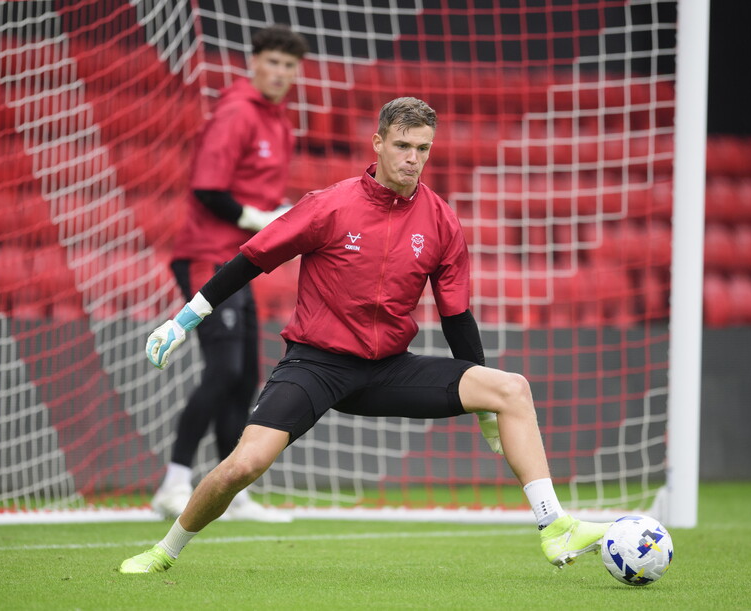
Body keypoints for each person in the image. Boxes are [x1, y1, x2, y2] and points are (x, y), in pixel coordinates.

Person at [121, 97, 610, 574]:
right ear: (377, 143)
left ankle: (555, 526)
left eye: (423, 148)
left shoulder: (440, 220)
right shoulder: (329, 206)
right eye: (402, 145)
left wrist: (483, 402)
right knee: (242, 467)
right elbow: (252, 259)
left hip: (389, 369)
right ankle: (165, 550)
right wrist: (184, 320)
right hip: (316, 365)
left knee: (512, 388)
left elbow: (456, 315)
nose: (413, 158)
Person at [149, 24, 309, 523]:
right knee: (224, 371)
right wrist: (261, 220)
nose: (281, 73)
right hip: (205, 255)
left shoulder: (279, 121)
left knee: (245, 380)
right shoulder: (238, 112)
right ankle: (174, 483)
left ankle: (232, 494)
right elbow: (208, 190)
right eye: (273, 62)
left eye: (289, 65)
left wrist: (269, 218)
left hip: (237, 261)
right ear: (254, 62)